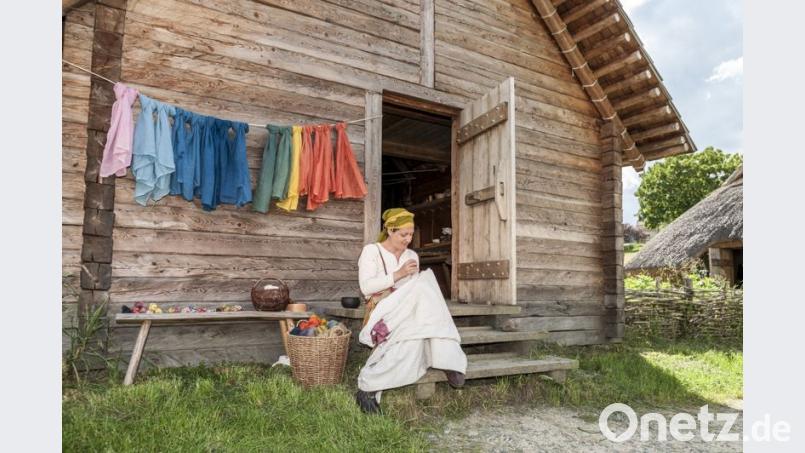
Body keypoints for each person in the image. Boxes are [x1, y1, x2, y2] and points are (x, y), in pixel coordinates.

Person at [355, 208, 467, 414]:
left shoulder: (411, 254)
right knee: (426, 291)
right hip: (383, 307)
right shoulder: (372, 251)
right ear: (389, 230)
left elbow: (415, 289)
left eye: (411, 234)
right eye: (403, 234)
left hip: (411, 305)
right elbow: (366, 288)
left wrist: (413, 280)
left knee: (426, 285)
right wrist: (398, 274)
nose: (408, 239)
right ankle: (369, 386)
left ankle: (448, 359)